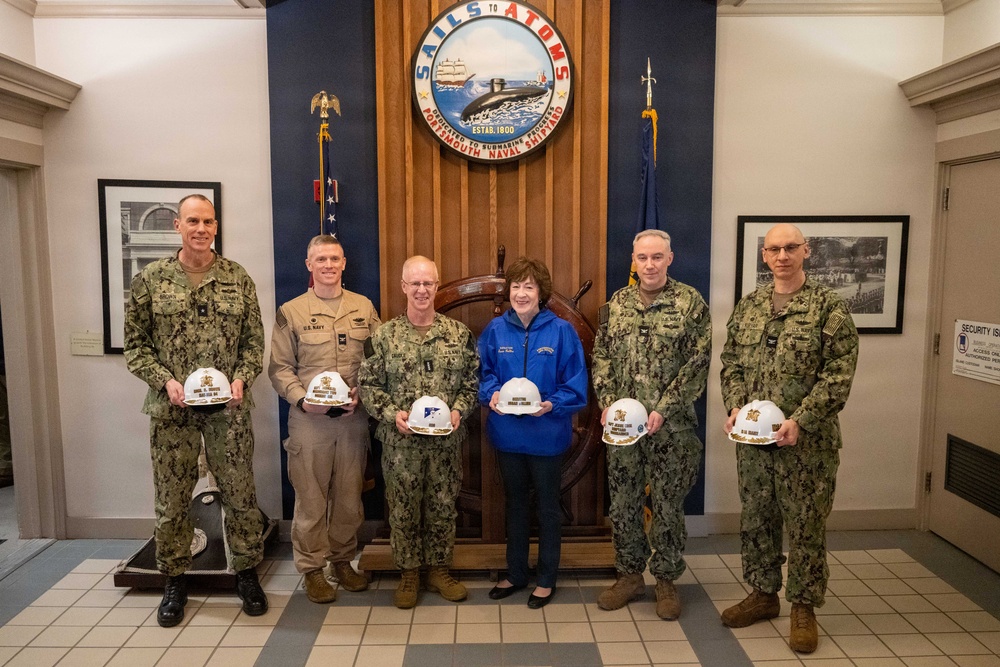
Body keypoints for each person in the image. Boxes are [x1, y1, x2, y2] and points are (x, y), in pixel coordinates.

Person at [124, 194, 268, 627]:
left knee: (240, 495)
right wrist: (164, 381)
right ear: (178, 226)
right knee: (171, 501)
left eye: (207, 221)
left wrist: (242, 377)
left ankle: (246, 573)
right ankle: (174, 579)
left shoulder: (237, 278)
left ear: (216, 225)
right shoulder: (151, 279)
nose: (201, 229)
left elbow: (253, 343)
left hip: (228, 410)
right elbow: (136, 347)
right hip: (173, 411)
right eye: (192, 221)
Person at [720, 223, 859, 654]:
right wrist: (735, 407)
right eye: (774, 249)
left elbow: (838, 374)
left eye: (790, 248)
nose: (782, 256)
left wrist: (801, 420)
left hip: (806, 445)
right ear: (764, 256)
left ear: (806, 251)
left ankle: (803, 606)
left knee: (805, 525)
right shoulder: (749, 306)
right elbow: (731, 363)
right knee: (757, 518)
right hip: (754, 441)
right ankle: (764, 594)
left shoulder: (828, 307)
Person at [592, 229, 711, 621]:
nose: (649, 264)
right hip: (624, 430)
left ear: (670, 259)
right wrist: (608, 402)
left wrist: (664, 408)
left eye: (657, 257)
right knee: (624, 503)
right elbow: (601, 356)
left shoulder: (689, 303)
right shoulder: (617, 304)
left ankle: (665, 580)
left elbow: (698, 363)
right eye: (642, 257)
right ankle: (629, 576)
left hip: (671, 429)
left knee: (667, 505)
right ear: (633, 260)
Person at [358, 255, 479, 609]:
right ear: (403, 287)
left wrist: (459, 410)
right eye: (415, 283)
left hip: (445, 444)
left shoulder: (458, 334)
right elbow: (368, 386)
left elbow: (472, 384)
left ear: (437, 286)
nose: (422, 290)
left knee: (443, 507)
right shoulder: (384, 337)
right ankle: (409, 573)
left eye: (428, 283)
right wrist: (390, 414)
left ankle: (439, 570)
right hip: (401, 445)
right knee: (403, 510)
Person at [268, 235, 380, 604]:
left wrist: (365, 394)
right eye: (321, 259)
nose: (328, 265)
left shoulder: (363, 307)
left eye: (334, 258)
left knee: (349, 497)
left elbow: (379, 361)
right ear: (309, 265)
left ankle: (342, 561)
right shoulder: (292, 311)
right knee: (311, 500)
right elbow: (280, 368)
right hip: (309, 421)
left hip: (352, 419)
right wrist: (303, 401)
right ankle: (312, 569)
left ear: (344, 263)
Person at [478, 257, 588, 609]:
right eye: (516, 286)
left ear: (542, 292)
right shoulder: (495, 330)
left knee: (548, 507)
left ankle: (546, 578)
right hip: (507, 435)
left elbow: (576, 385)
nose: (521, 293)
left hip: (547, 435)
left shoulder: (562, 331)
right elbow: (483, 373)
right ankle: (516, 573)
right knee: (515, 504)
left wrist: (552, 404)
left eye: (529, 286)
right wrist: (491, 393)